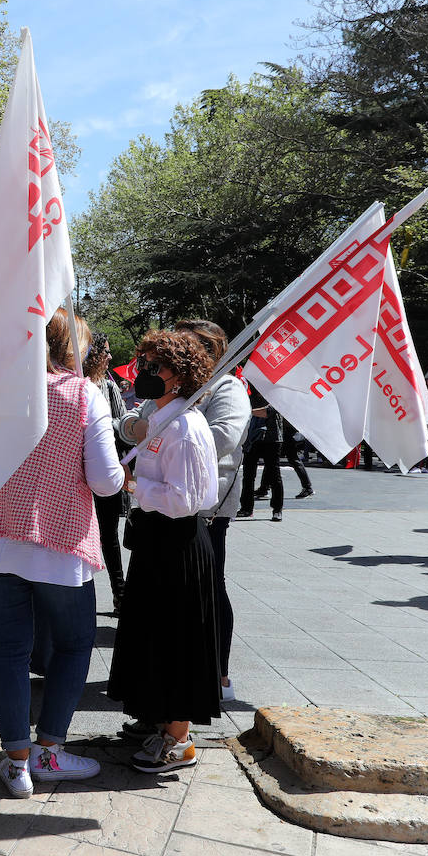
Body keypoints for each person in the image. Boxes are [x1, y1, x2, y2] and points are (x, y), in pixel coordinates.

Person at [0, 312, 124, 797]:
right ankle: (49, 750)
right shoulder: (84, 395)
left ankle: (16, 762)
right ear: (72, 348)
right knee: (75, 645)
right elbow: (104, 481)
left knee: (10, 650)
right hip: (57, 541)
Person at [108, 329, 220, 773]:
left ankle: (179, 741)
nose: (146, 373)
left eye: (157, 366)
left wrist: (134, 484)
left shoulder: (187, 427)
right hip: (155, 542)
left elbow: (187, 499)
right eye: (144, 363)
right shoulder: (159, 416)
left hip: (178, 544)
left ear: (181, 375)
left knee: (177, 640)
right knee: (153, 636)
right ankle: (158, 723)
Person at [84, 333, 134, 611]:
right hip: (76, 474)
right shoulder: (76, 384)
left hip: (106, 467)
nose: (110, 356)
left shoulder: (108, 386)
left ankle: (120, 592)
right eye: (105, 351)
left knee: (108, 535)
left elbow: (122, 425)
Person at [238, 396, 284, 523]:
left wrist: (246, 410)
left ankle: (277, 510)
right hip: (252, 439)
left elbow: (269, 411)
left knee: (275, 476)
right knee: (248, 475)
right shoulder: (251, 393)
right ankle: (246, 508)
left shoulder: (276, 393)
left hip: (271, 438)